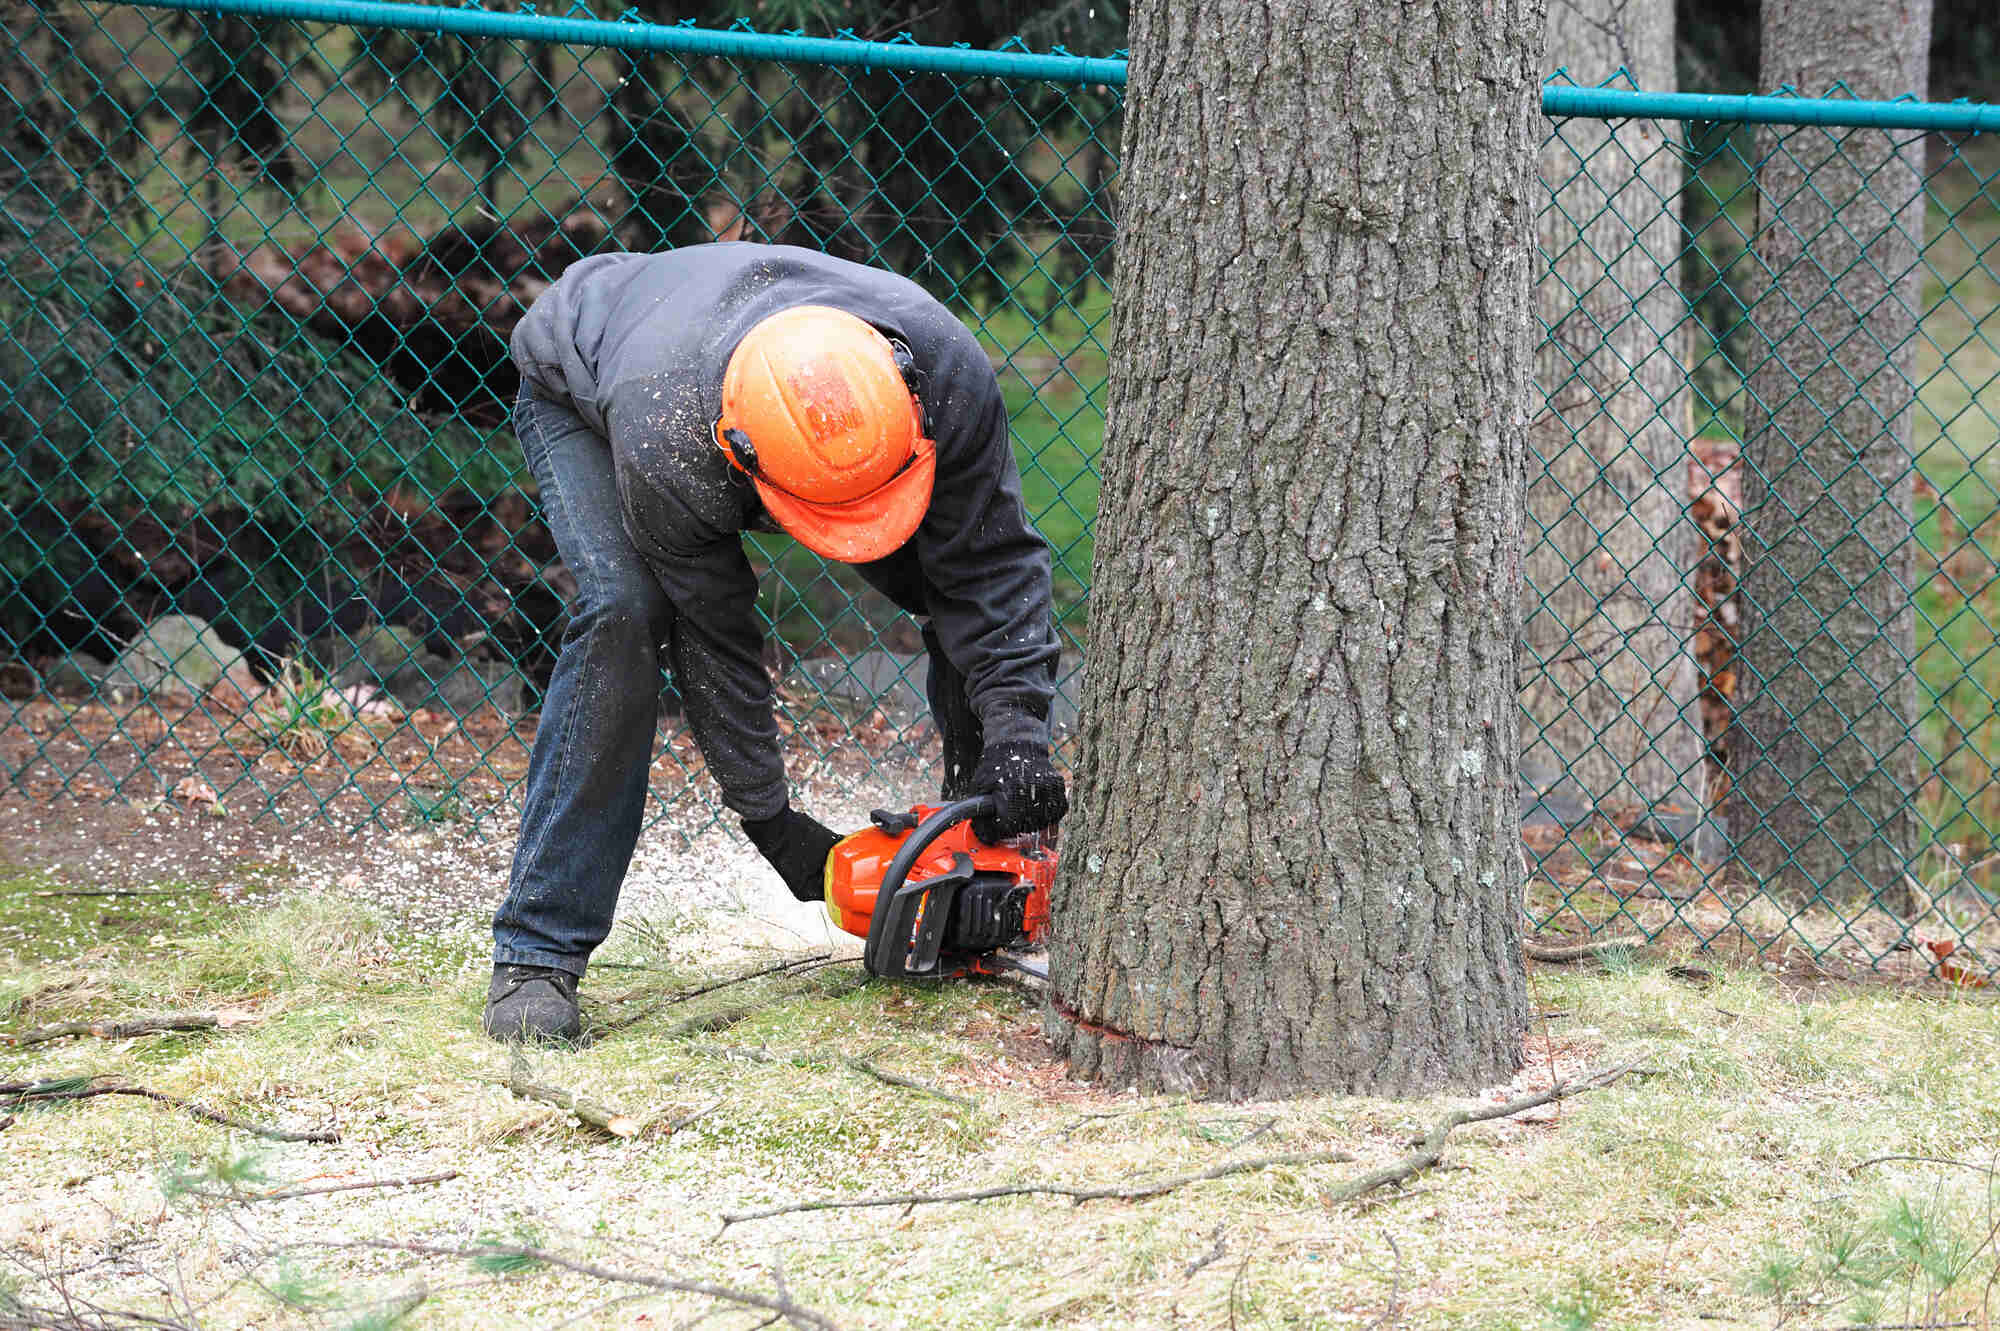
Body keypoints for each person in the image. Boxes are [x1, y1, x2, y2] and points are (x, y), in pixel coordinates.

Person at [483, 242, 1070, 1042]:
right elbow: (712, 637)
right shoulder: (672, 445)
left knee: (957, 581)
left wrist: (1018, 743)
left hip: (750, 366)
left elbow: (994, 570)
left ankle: (985, 851)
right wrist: (776, 827)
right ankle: (537, 951)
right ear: (743, 460)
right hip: (590, 377)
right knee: (627, 611)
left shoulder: (943, 370)